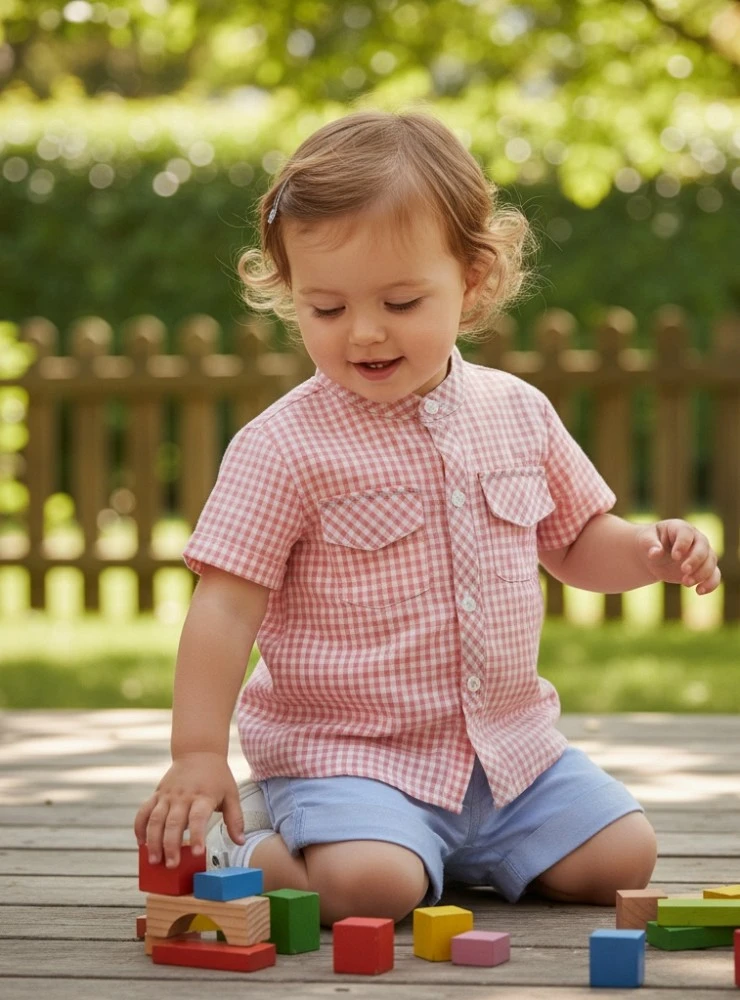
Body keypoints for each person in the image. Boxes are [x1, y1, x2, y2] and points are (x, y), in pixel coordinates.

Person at [135, 109, 721, 927]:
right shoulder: (283, 447)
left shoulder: (517, 412)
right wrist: (198, 755)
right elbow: (226, 607)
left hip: (510, 761)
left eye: (401, 300)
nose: (365, 332)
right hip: (351, 760)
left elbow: (580, 543)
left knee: (624, 856)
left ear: (473, 281)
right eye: (326, 310)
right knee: (373, 889)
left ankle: (454, 850)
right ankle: (247, 850)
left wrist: (649, 553)